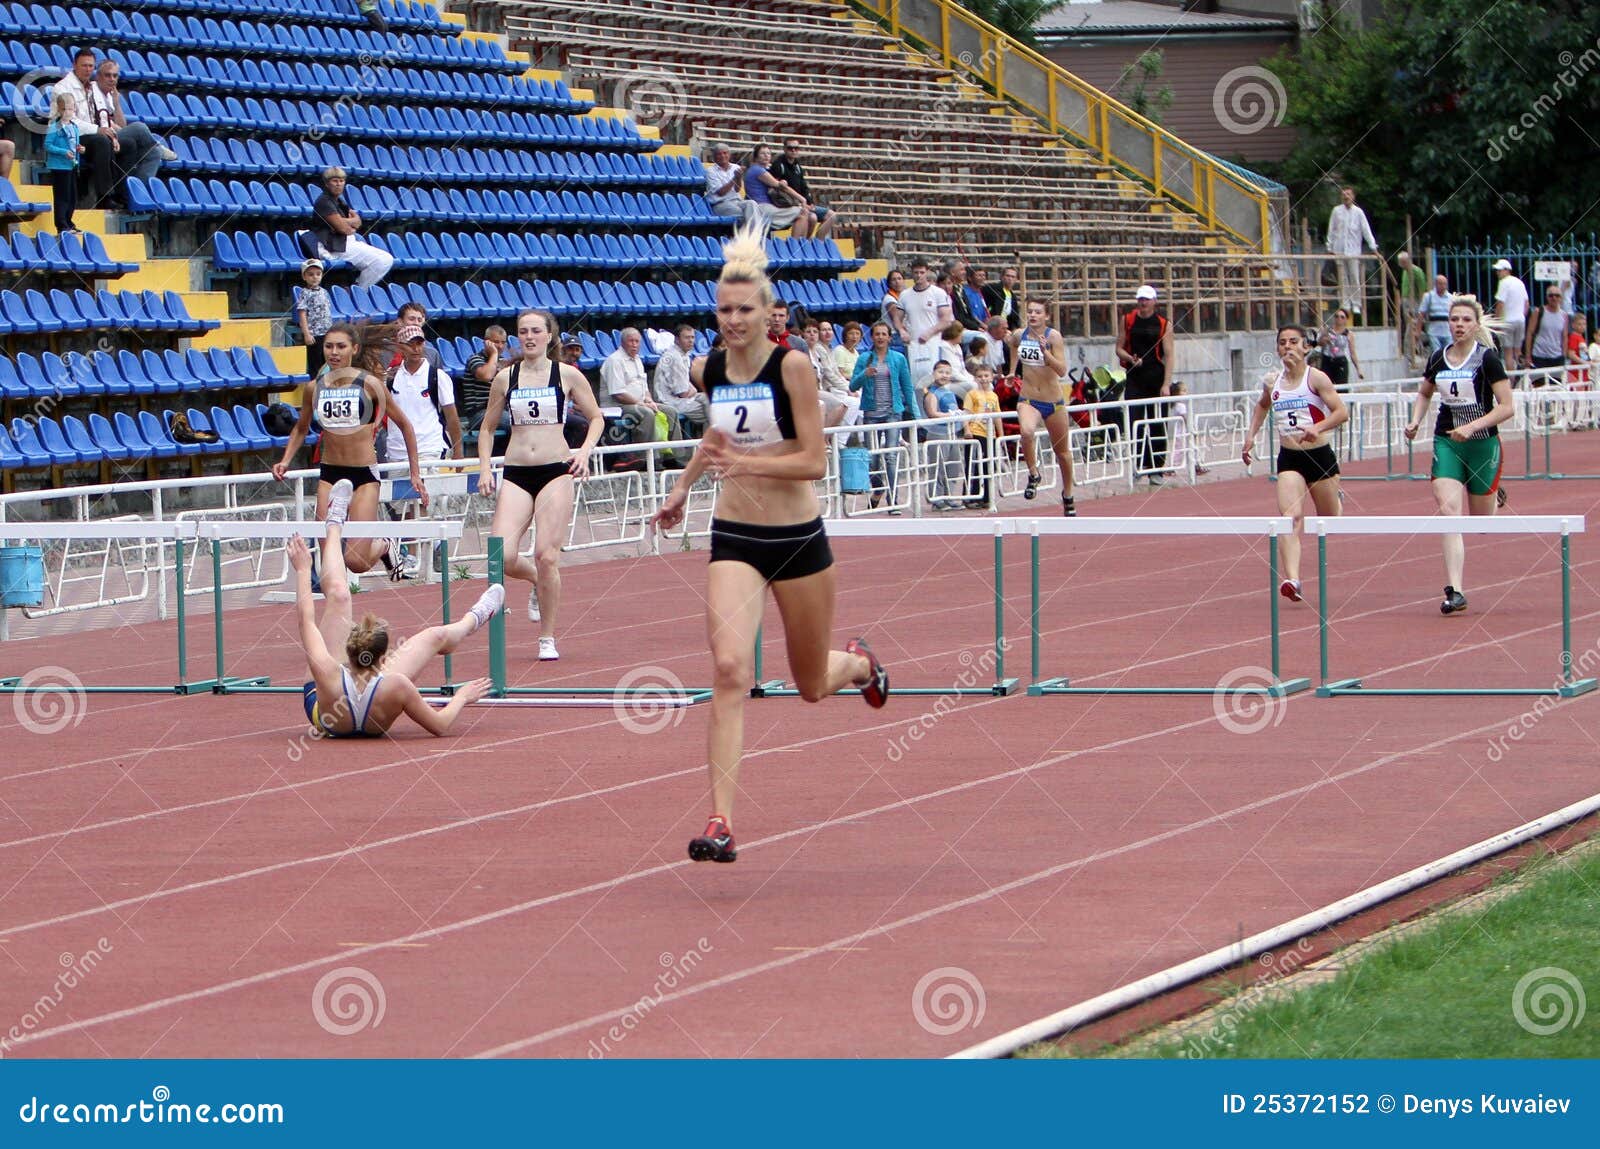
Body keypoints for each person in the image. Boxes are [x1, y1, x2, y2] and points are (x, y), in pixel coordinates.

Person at [650, 224, 888, 864]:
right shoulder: (713, 370)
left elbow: (813, 460)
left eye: (744, 310)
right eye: (723, 310)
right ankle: (721, 818)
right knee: (729, 669)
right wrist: (681, 490)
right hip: (734, 536)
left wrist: (754, 464)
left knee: (811, 683)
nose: (732, 320)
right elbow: (716, 442)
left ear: (767, 312)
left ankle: (860, 664)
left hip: (797, 538)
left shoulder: (794, 368)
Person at [288, 486, 496, 740]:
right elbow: (440, 725)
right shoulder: (396, 685)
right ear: (384, 660)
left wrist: (302, 570)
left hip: (328, 709)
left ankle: (475, 618)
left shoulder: (327, 671)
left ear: (348, 651)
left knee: (340, 596)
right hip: (357, 698)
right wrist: (462, 696)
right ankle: (334, 523)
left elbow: (305, 620)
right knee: (433, 635)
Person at [477, 310, 605, 662]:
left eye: (536, 331)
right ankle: (536, 580)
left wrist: (585, 452)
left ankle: (546, 637)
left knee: (547, 554)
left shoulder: (566, 375)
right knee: (499, 555)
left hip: (556, 470)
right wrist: (486, 468)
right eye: (523, 331)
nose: (529, 336)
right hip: (518, 471)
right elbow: (487, 429)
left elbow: (596, 417)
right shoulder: (505, 378)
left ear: (550, 336)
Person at [272, 323, 426, 578]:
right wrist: (285, 460)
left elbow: (406, 426)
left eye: (341, 347)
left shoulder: (370, 385)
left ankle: (385, 545)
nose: (334, 352)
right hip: (330, 473)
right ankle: (338, 613)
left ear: (354, 349)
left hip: (364, 476)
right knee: (328, 558)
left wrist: (415, 474)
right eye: (329, 346)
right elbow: (301, 428)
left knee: (355, 562)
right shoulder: (315, 388)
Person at [1404, 296, 1514, 614]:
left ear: (1475, 324)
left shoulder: (1487, 359)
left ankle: (1492, 494)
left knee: (1481, 524)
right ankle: (1456, 591)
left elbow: (1507, 407)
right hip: (1447, 443)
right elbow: (1425, 392)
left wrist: (1473, 426)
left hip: (1482, 444)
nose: (1459, 325)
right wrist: (1415, 420)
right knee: (1449, 511)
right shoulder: (1438, 358)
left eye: (1466, 320)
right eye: (1455, 320)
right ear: (1448, 323)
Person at [1242, 325, 1349, 603]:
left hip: (1319, 455)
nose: (1287, 347)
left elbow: (1341, 413)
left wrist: (1318, 426)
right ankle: (1293, 579)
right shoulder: (1272, 381)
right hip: (1289, 458)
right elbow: (1263, 405)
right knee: (1290, 518)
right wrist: (1251, 435)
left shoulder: (1317, 379)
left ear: (1306, 347)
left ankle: (1336, 498)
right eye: (1282, 343)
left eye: (1293, 342)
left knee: (1330, 517)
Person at [1007, 297, 1077, 515]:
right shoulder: (1021, 335)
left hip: (1053, 402)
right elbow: (1012, 344)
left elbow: (1062, 370)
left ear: (1046, 316)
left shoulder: (1053, 337)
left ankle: (1067, 494)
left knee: (1063, 453)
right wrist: (1012, 370)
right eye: (1030, 312)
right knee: (1026, 432)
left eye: (1038, 312)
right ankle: (1033, 473)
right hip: (1028, 398)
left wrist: (1046, 353)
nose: (1033, 315)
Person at [850, 320, 918, 513]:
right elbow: (853, 386)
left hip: (892, 413)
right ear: (872, 337)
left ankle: (893, 499)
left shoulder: (898, 358)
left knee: (890, 456)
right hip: (871, 413)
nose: (880, 337)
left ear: (889, 337)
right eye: (877, 334)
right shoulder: (864, 358)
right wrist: (865, 374)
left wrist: (914, 413)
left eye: (883, 334)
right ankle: (878, 488)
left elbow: (907, 386)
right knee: (873, 458)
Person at [85, 60, 174, 202]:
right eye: (108, 75)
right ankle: (158, 145)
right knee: (139, 127)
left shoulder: (110, 95)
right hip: (97, 139)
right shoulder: (91, 91)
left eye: (115, 76)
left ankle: (136, 194)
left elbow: (121, 125)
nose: (112, 79)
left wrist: (116, 102)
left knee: (153, 153)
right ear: (98, 76)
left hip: (113, 137)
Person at [1116, 284, 1174, 485]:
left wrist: (1166, 384)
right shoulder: (1128, 320)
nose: (1143, 302)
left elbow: (1169, 355)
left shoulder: (1163, 323)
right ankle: (1139, 465)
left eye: (1146, 299)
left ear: (1154, 301)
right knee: (1134, 422)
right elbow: (1119, 348)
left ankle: (1157, 467)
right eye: (1140, 298)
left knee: (1157, 422)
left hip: (1156, 378)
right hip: (1134, 377)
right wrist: (1130, 359)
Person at [311, 167, 394, 288]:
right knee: (382, 261)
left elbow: (357, 222)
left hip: (346, 242)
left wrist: (346, 223)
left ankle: (357, 288)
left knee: (386, 258)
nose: (338, 184)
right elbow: (345, 229)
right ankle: (358, 290)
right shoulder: (324, 201)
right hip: (333, 247)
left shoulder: (339, 201)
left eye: (341, 180)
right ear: (326, 183)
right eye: (335, 181)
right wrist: (349, 224)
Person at [1325, 186, 1378, 319]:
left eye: (1348, 194)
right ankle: (1345, 303)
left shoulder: (1358, 212)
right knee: (1342, 278)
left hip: (1353, 251)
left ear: (1353, 197)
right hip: (1339, 249)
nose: (1346, 197)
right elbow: (1331, 230)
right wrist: (1329, 248)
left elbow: (1366, 230)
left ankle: (1356, 303)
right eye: (1343, 194)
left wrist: (1373, 247)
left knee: (1354, 276)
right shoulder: (1336, 211)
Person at [769, 138, 836, 240]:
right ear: (784, 149)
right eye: (790, 148)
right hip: (791, 204)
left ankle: (818, 243)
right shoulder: (778, 165)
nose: (793, 150)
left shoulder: (797, 166)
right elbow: (776, 188)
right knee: (812, 218)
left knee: (831, 215)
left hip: (803, 203)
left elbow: (803, 186)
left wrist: (810, 203)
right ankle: (804, 243)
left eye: (796, 148)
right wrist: (800, 203)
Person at [901, 258, 954, 385]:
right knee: (915, 380)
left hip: (933, 342)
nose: (919, 275)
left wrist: (930, 332)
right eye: (916, 272)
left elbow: (946, 320)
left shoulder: (938, 293)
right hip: (913, 343)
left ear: (927, 272)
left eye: (922, 272)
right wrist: (901, 330)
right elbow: (897, 318)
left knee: (935, 378)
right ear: (911, 273)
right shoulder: (905, 295)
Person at [744, 143, 810, 237]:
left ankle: (799, 244)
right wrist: (802, 199)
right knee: (802, 213)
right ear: (756, 156)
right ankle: (795, 246)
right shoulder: (758, 170)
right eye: (763, 153)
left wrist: (781, 182)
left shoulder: (757, 170)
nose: (767, 156)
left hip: (764, 207)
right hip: (762, 208)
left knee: (803, 214)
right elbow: (780, 187)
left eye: (768, 153)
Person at [654, 324, 710, 434]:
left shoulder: (684, 355)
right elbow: (683, 393)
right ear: (677, 339)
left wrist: (692, 390)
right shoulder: (674, 357)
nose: (691, 341)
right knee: (712, 412)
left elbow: (687, 385)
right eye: (687, 337)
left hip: (681, 398)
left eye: (692, 337)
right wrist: (693, 390)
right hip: (669, 401)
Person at [922, 360, 962, 507]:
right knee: (938, 467)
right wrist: (951, 415)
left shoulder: (950, 392)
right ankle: (936, 498)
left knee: (953, 466)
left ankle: (949, 495)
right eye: (940, 372)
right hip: (938, 433)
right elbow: (932, 413)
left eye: (947, 372)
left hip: (952, 433)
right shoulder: (932, 393)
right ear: (933, 374)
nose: (944, 375)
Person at [44, 92, 83, 235]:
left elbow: (75, 144)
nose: (68, 112)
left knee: (72, 196)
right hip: (59, 166)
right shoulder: (55, 127)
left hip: (72, 165)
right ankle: (61, 224)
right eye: (65, 109)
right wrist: (63, 152)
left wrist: (80, 149)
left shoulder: (74, 127)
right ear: (59, 110)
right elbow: (48, 145)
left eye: (71, 109)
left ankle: (69, 221)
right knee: (62, 196)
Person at [964, 363, 1000, 506]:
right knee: (973, 464)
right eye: (980, 376)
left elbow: (997, 415)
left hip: (989, 434)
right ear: (975, 378)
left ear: (991, 377)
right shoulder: (971, 394)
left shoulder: (994, 395)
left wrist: (1000, 434)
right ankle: (970, 496)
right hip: (975, 432)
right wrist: (967, 430)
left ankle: (986, 496)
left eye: (986, 376)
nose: (983, 379)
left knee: (988, 464)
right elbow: (966, 413)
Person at [1524, 284, 1570, 389]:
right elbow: (1530, 333)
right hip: (1539, 356)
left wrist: (1564, 356)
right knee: (1538, 388)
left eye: (1557, 295)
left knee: (1556, 388)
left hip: (1556, 357)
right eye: (1551, 295)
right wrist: (1528, 356)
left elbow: (1564, 336)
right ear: (1547, 297)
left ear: (1561, 298)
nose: (1554, 298)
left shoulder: (1564, 315)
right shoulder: (1539, 312)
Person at [294, 259, 333, 380]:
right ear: (304, 276)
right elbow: (302, 313)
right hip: (314, 334)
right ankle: (315, 387)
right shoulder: (305, 293)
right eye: (310, 274)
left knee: (326, 362)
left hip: (326, 332)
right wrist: (306, 333)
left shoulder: (324, 292)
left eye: (318, 274)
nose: (315, 277)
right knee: (315, 365)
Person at [703, 143, 754, 226]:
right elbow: (721, 192)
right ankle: (751, 237)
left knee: (752, 204)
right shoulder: (710, 171)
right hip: (721, 204)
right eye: (719, 154)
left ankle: (753, 236)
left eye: (725, 153)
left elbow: (737, 189)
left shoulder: (735, 167)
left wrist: (738, 178)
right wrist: (734, 178)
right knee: (746, 215)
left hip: (737, 201)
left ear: (729, 155)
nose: (723, 156)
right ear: (714, 157)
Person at [1492, 259, 1529, 372]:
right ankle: (1523, 375)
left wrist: (1496, 322)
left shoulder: (1504, 283)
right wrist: (1522, 316)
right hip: (1520, 320)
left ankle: (1511, 381)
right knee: (1518, 351)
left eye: (1499, 270)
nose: (1497, 273)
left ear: (1507, 270)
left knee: (1508, 352)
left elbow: (1500, 304)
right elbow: (1526, 303)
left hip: (1507, 322)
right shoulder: (1519, 282)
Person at [1318, 308, 1363, 389]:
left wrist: (1358, 369)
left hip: (1340, 361)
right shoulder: (1327, 330)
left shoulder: (1349, 334)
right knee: (1325, 386)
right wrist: (1325, 340)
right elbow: (1319, 343)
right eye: (1337, 316)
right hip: (1327, 360)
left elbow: (1352, 353)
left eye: (1342, 317)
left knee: (1342, 387)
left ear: (1346, 320)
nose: (1339, 319)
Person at [1397, 251, 1428, 367]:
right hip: (1406, 301)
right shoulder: (1405, 272)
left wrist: (1420, 306)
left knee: (1412, 327)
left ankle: (1411, 354)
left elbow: (1422, 289)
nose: (1402, 265)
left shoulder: (1416, 271)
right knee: (1409, 326)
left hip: (1414, 302)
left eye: (1403, 262)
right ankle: (1411, 352)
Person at [1418, 274, 1453, 358]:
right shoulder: (1428, 297)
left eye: (1445, 284)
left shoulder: (1450, 298)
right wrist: (1418, 330)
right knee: (1436, 353)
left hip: (1447, 331)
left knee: (1449, 353)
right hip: (1434, 331)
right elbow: (1421, 313)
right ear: (1436, 284)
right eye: (1441, 284)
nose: (1443, 286)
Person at [879, 269, 910, 352]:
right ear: (889, 283)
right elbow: (897, 319)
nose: (897, 282)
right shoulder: (889, 299)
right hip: (895, 335)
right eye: (894, 279)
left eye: (899, 279)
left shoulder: (904, 297)